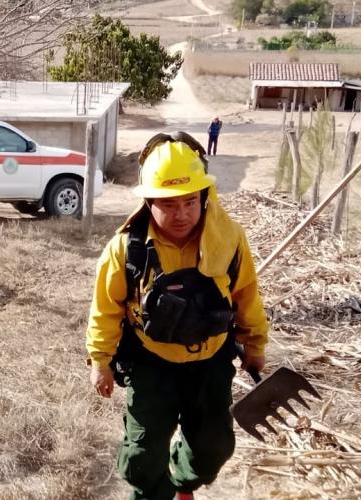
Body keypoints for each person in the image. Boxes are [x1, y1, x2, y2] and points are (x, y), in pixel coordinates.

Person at [85, 132, 268, 500]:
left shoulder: (229, 238)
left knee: (213, 450)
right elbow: (105, 310)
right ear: (149, 202)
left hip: (210, 363)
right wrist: (101, 362)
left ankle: (183, 482)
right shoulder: (126, 249)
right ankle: (154, 491)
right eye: (168, 204)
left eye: (189, 202)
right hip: (151, 365)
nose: (181, 213)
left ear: (203, 197)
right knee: (140, 462)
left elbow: (246, 293)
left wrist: (255, 344)